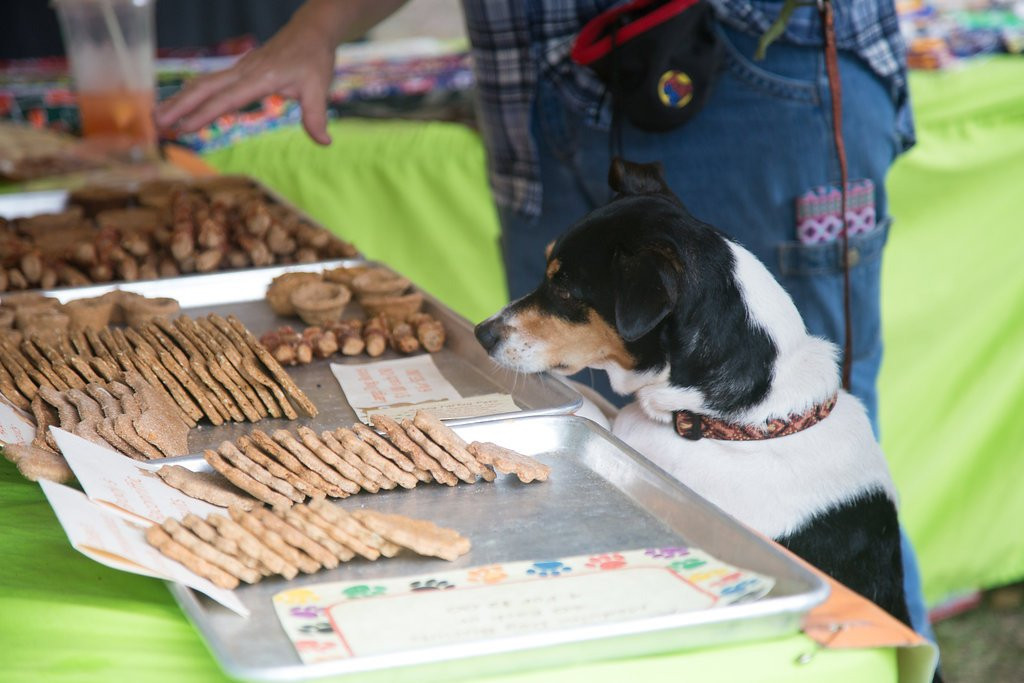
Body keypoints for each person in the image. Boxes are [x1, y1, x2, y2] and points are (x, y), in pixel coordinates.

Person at [156, 0, 935, 645]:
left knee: (845, 575)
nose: (513, 323)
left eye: (560, 300)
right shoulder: (637, 332)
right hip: (540, 77)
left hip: (749, 64)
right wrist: (321, 24)